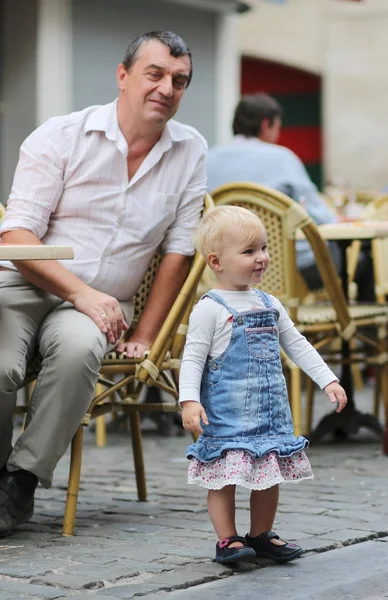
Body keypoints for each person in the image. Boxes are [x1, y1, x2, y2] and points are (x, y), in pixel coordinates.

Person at [0, 31, 207, 537]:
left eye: (178, 81)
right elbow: (16, 233)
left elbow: (176, 256)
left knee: (76, 354)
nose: (166, 88)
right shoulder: (62, 135)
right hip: (25, 282)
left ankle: (20, 481)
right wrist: (79, 290)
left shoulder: (190, 150)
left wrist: (146, 335)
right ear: (123, 75)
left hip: (99, 308)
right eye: (154, 74)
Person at [179, 206, 347, 564]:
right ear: (216, 261)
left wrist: (327, 378)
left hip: (270, 417)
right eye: (249, 251)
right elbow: (192, 358)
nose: (262, 258)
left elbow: (297, 343)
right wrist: (189, 401)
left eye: (263, 248)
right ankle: (228, 540)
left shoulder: (270, 303)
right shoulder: (209, 308)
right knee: (222, 479)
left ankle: (261, 534)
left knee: (268, 476)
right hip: (226, 418)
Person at [207, 93, 350, 293]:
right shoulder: (282, 158)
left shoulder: (208, 159)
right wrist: (339, 218)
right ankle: (351, 320)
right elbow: (319, 216)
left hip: (222, 268)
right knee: (359, 256)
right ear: (266, 124)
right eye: (277, 127)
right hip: (287, 269)